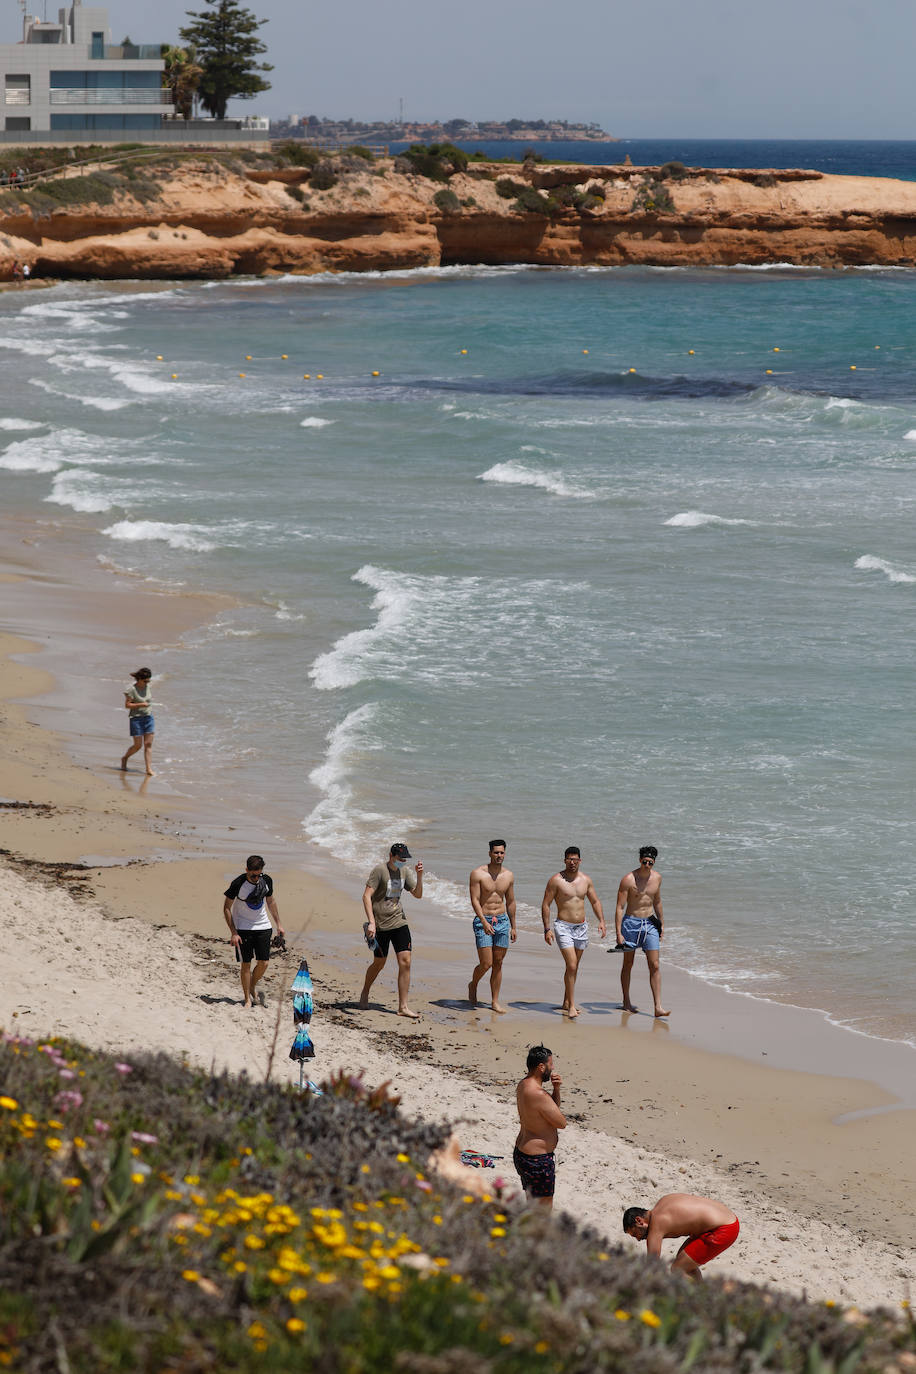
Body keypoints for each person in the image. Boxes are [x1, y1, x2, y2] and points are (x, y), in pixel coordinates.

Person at [359, 843, 424, 1018]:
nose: (403, 861)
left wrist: (419, 876)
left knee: (406, 961)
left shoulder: (405, 872)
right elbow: (366, 896)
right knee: (379, 963)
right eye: (400, 858)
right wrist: (371, 922)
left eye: (405, 859)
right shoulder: (379, 871)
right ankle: (365, 991)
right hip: (380, 925)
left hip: (399, 922)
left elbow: (417, 895)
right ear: (391, 856)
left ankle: (403, 1006)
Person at [541, 846, 606, 1017]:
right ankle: (571, 1006)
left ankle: (565, 1002)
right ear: (564, 860)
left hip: (581, 927)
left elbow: (595, 901)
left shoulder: (586, 880)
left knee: (574, 967)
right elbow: (546, 904)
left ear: (580, 861)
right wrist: (547, 929)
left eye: (575, 859)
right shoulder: (556, 880)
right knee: (571, 964)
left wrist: (601, 921)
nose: (572, 862)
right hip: (563, 926)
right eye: (569, 859)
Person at [623, 1193, 739, 1281]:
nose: (638, 1239)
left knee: (678, 1269)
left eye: (635, 1234)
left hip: (724, 1228)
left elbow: (652, 1266)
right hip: (726, 1218)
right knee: (685, 1262)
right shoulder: (662, 1202)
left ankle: (702, 1302)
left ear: (639, 1221)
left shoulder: (657, 1224)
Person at [223, 855, 285, 1009]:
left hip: (263, 926)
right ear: (246, 870)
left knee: (264, 962)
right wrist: (233, 932)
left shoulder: (266, 881)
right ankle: (247, 999)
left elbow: (271, 902)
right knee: (246, 964)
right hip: (243, 928)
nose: (256, 878)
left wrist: (279, 924)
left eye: (259, 874)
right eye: (253, 875)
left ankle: (252, 985)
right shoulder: (238, 883)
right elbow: (226, 908)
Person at [614, 845, 669, 1017]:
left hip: (650, 923)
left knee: (654, 964)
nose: (647, 865)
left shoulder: (657, 878)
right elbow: (619, 907)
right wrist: (618, 932)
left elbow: (657, 901)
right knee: (628, 964)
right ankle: (626, 1002)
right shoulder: (628, 879)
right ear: (640, 860)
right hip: (631, 923)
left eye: (650, 863)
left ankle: (658, 1007)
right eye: (644, 862)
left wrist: (661, 923)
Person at [467, 839, 517, 1013]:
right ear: (490, 853)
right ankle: (473, 984)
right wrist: (483, 921)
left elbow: (510, 901)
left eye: (502, 852)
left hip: (502, 921)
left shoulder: (508, 875)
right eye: (496, 852)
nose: (499, 856)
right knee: (486, 963)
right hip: (483, 921)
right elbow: (474, 900)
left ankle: (494, 1001)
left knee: (498, 962)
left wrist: (514, 926)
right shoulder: (478, 874)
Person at [514, 1044, 566, 1209]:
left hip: (523, 1154)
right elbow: (561, 1122)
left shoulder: (523, 1084)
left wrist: (556, 1089)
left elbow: (550, 1108)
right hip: (537, 1161)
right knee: (543, 1210)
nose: (553, 1068)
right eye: (550, 1065)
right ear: (541, 1067)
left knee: (533, 1205)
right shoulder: (538, 1094)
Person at [120, 667, 155, 775]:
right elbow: (127, 705)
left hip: (148, 717)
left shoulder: (148, 687)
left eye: (149, 680)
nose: (147, 683)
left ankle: (148, 769)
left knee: (148, 744)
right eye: (145, 681)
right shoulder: (131, 690)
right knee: (138, 745)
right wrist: (140, 704)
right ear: (139, 679)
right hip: (136, 719)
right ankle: (125, 758)